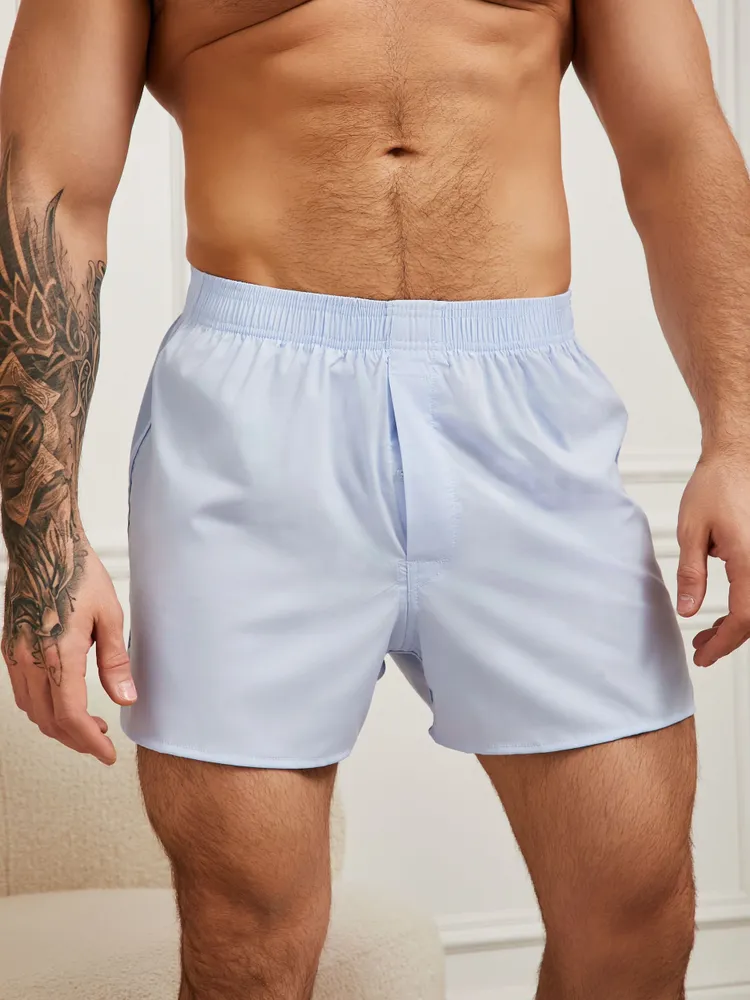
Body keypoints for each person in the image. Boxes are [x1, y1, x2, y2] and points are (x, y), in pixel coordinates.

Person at [1, 0, 749, 996]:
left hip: (523, 407)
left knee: (638, 909)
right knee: (245, 938)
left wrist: (739, 435)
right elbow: (47, 191)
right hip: (252, 417)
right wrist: (44, 544)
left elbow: (676, 141)